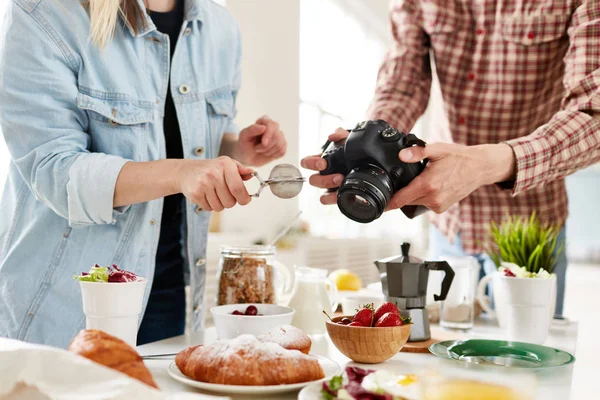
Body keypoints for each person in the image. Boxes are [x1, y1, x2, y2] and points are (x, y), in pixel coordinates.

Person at [0, 0, 286, 347]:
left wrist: (238, 149)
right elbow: (55, 172)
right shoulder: (43, 13)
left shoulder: (218, 26)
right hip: (66, 302)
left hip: (168, 293)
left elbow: (191, 142)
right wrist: (180, 173)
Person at [302, 0, 600, 319]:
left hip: (531, 228)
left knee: (527, 363)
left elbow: (593, 113)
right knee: (443, 358)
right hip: (449, 225)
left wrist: (483, 164)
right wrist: (373, 143)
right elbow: (403, 83)